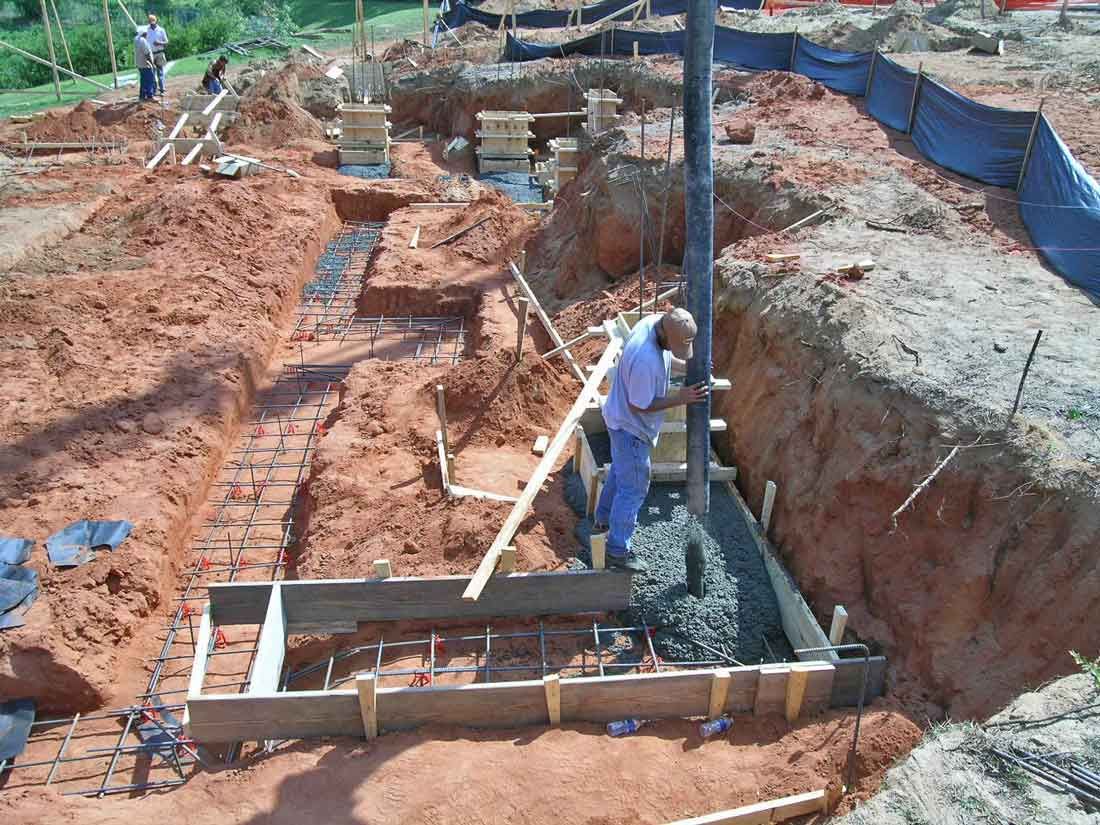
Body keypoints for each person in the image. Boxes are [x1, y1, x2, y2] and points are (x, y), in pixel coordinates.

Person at [593, 308, 708, 572]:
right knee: (634, 487)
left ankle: (602, 522)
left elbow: (667, 359)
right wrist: (682, 397)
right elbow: (640, 405)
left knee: (621, 474)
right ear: (666, 336)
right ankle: (617, 551)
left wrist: (689, 365)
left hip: (617, 417)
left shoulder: (653, 323)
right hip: (630, 428)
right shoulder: (646, 359)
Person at [146, 14, 169, 95]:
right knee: (152, 73)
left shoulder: (161, 30)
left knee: (160, 72)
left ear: (156, 21)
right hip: (151, 54)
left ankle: (162, 89)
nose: (151, 24)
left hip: (159, 53)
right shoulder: (147, 30)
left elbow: (166, 42)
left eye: (153, 22)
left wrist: (159, 43)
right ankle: (154, 90)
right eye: (150, 22)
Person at [134, 29, 156, 101]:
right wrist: (152, 64)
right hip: (145, 63)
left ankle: (142, 96)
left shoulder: (136, 40)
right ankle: (150, 96)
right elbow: (147, 53)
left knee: (143, 80)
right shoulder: (143, 41)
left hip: (139, 64)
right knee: (150, 79)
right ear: (144, 33)